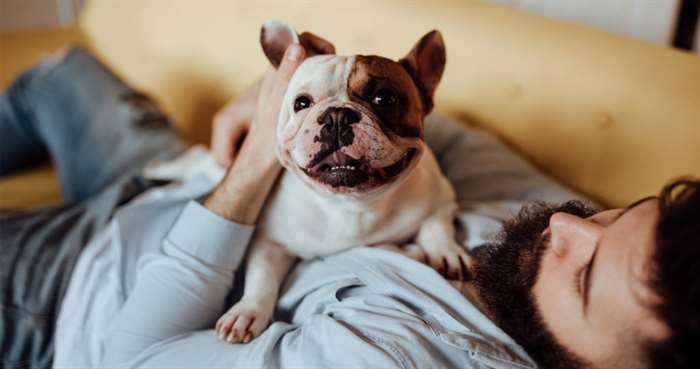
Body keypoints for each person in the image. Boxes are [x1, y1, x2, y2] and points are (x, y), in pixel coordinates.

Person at [0, 44, 697, 369]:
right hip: (173, 177)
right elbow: (427, 121)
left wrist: (255, 163)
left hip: (77, 287)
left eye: (584, 272)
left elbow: (132, 359)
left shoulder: (394, 352)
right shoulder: (552, 234)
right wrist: (277, 100)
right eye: (608, 213)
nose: (565, 223)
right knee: (63, 73)